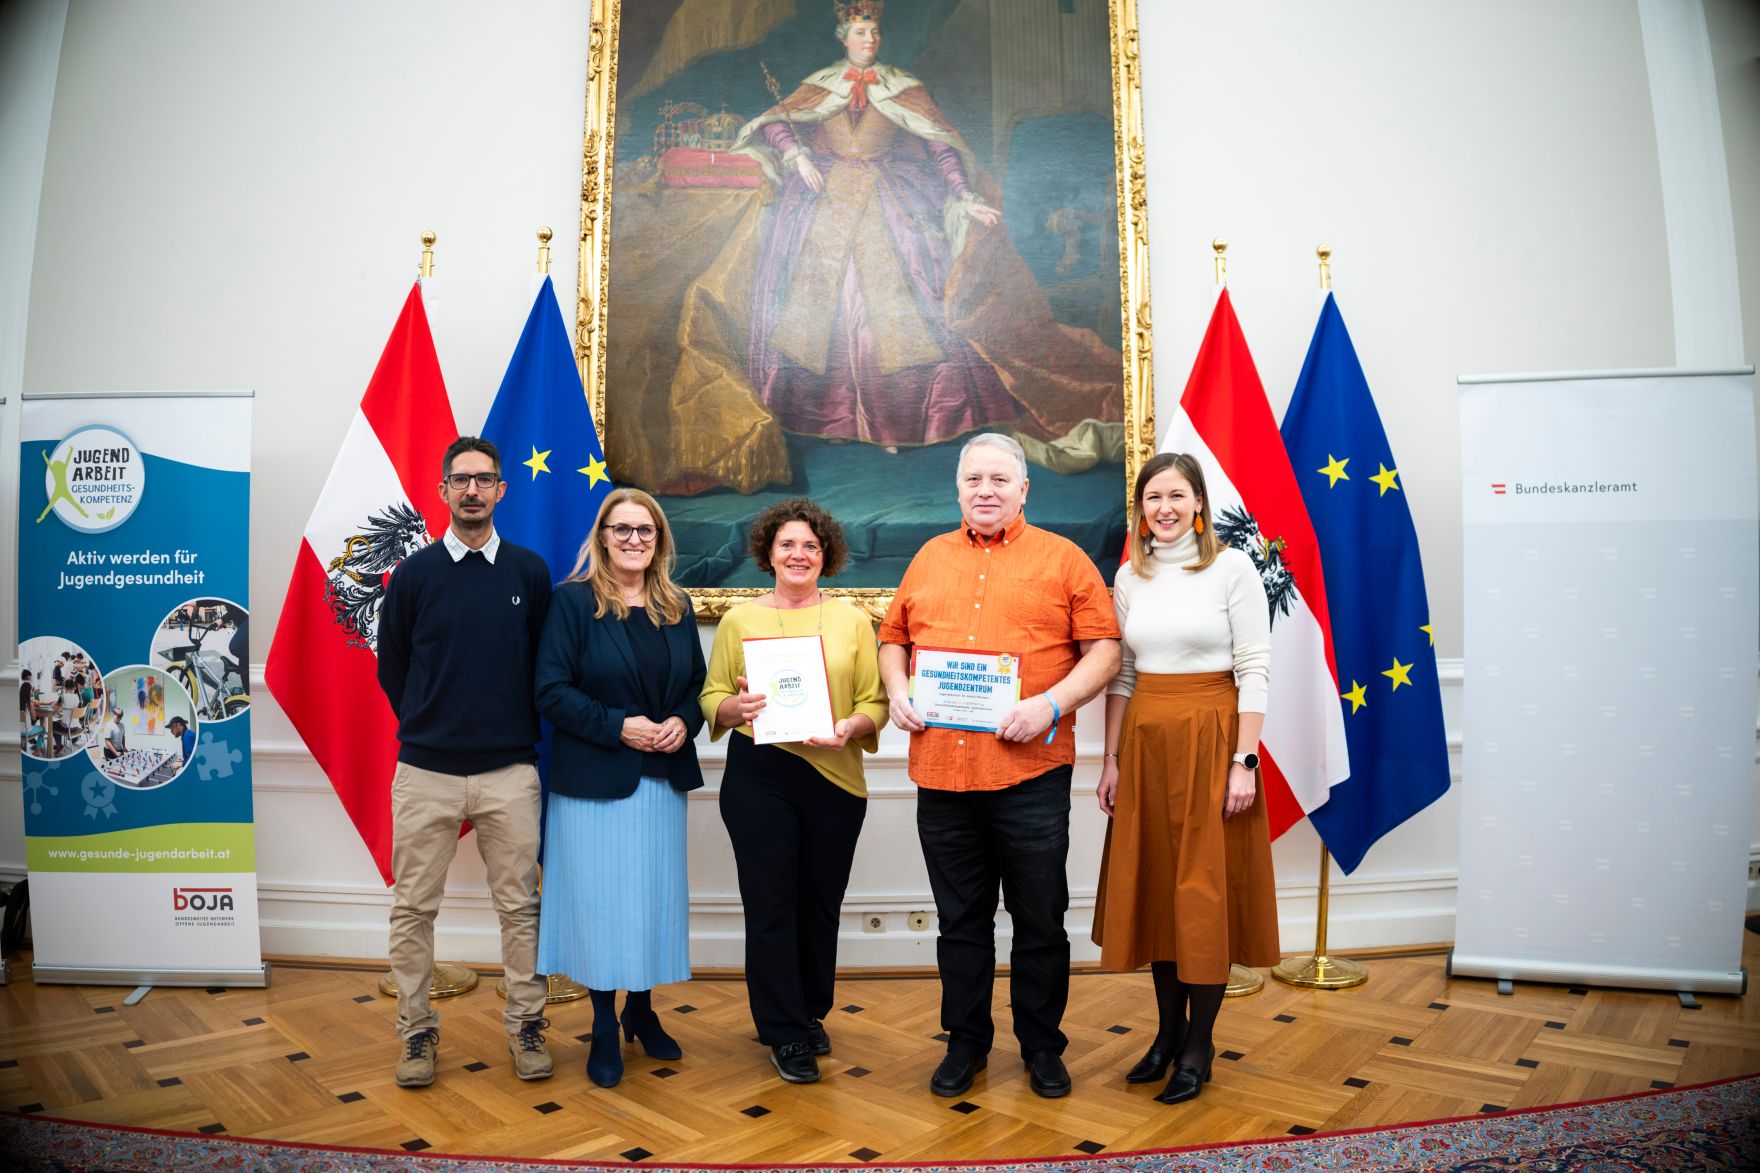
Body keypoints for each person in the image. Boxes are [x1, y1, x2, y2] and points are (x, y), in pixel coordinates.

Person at [877, 432, 1121, 1099]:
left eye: (998, 480)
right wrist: (898, 690)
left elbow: (1104, 652)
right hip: (944, 777)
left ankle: (1043, 1046)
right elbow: (893, 638)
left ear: (1023, 488)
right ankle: (966, 1043)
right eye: (973, 480)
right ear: (958, 489)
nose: (985, 490)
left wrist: (1050, 702)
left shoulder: (1065, 560)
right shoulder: (929, 557)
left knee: (1039, 919)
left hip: (1031, 775)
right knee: (961, 921)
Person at [733, 0, 1017, 452]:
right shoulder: (820, 86)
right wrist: (797, 153)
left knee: (895, 305)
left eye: (874, 34)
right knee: (823, 310)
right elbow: (773, 125)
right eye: (860, 34)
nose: (869, 41)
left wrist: (965, 196)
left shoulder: (903, 88)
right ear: (843, 38)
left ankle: (896, 424)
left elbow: (941, 147)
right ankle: (832, 421)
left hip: (887, 201)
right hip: (825, 201)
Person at [1092, 452, 1278, 1105]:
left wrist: (1244, 760)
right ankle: (1167, 1036)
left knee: (1202, 896)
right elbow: (1121, 675)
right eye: (1151, 498)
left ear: (1198, 502)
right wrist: (1110, 758)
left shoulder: (1231, 568)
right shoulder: (1129, 577)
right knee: (1161, 896)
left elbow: (1254, 665)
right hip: (1146, 746)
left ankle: (1200, 1047)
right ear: (1140, 509)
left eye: (1175, 496)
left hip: (1212, 744)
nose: (1163, 508)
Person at [375, 435, 555, 1089]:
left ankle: (526, 1027)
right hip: (427, 769)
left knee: (520, 907)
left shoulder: (530, 573)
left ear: (502, 490)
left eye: (485, 479)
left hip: (510, 769)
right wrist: (431, 725)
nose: (473, 489)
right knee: (413, 908)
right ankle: (416, 1034)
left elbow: (543, 668)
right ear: (443, 490)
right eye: (461, 479)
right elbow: (392, 667)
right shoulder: (414, 575)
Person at [700, 498, 889, 1084]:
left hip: (834, 775)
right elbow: (712, 699)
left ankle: (809, 1011)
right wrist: (736, 705)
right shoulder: (739, 621)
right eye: (787, 544)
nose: (799, 554)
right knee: (771, 903)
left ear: (825, 554)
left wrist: (849, 728)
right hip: (760, 773)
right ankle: (783, 1030)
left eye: (810, 545)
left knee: (818, 904)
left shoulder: (853, 620)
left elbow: (874, 704)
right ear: (768, 554)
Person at [534, 488, 706, 1088]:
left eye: (646, 531)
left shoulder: (676, 605)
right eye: (622, 529)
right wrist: (619, 727)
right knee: (602, 907)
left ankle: (641, 1009)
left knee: (647, 902)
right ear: (602, 536)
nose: (634, 539)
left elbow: (696, 687)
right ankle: (603, 1025)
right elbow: (550, 691)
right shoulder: (573, 603)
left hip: (661, 779)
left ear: (659, 540)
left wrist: (685, 720)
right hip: (592, 784)